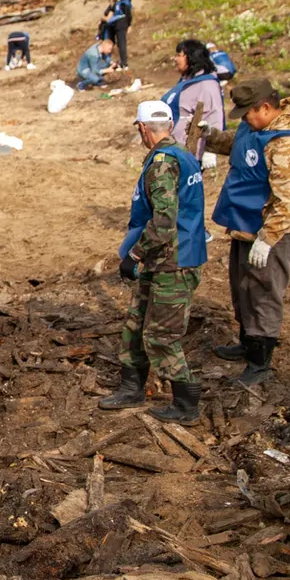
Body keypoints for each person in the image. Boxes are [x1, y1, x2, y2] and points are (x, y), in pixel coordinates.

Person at [203, 78, 290, 386]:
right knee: (242, 285)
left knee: (263, 290)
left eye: (247, 113)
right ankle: (247, 341)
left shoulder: (288, 143)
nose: (244, 119)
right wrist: (211, 137)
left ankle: (260, 362)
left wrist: (268, 239)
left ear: (266, 107)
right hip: (246, 222)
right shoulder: (256, 127)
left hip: (276, 228)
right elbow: (239, 144)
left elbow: (289, 200)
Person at [104, 101, 210, 423]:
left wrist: (135, 254)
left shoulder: (162, 164)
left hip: (173, 261)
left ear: (142, 128)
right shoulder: (184, 155)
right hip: (163, 258)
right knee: (136, 323)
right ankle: (131, 388)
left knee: (161, 335)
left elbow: (164, 221)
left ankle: (186, 403)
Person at [162, 40, 225, 158]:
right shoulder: (187, 81)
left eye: (179, 55)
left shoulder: (207, 85)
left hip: (190, 152)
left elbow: (214, 117)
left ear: (192, 57)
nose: (175, 59)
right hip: (174, 148)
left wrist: (210, 151)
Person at [102, 0, 133, 65]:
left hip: (122, 24)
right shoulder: (118, 2)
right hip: (116, 24)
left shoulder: (125, 3)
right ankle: (111, 61)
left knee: (122, 43)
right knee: (117, 43)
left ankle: (124, 63)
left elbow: (128, 15)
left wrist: (129, 25)